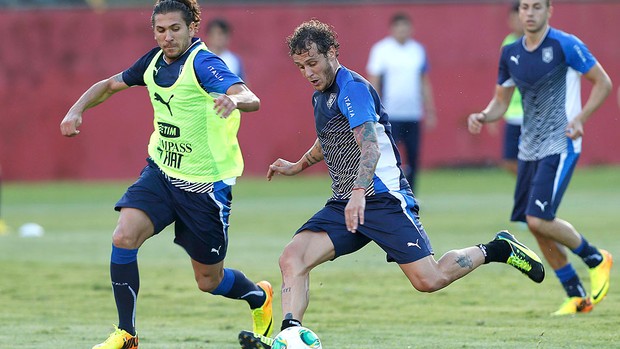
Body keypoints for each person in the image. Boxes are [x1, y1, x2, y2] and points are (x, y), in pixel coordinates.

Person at [238, 19, 545, 349]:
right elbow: (329, 140)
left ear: (331, 53)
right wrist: (298, 164)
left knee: (429, 279)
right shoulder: (320, 97)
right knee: (292, 258)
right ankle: (290, 336)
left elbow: (369, 145)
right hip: (346, 204)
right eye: (300, 67)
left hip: (382, 199)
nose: (308, 73)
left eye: (312, 63)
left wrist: (359, 192)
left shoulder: (352, 88)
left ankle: (496, 248)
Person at [60, 1, 273, 348]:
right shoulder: (152, 61)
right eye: (160, 30)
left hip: (205, 187)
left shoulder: (204, 63)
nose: (167, 37)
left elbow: (250, 97)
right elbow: (110, 84)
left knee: (209, 280)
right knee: (123, 236)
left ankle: (259, 297)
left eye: (175, 29)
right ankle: (126, 334)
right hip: (161, 173)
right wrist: (76, 109)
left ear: (192, 27)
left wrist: (235, 101)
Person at [467, 0, 613, 316]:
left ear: (549, 11)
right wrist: (483, 115)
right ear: (519, 13)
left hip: (561, 144)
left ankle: (596, 259)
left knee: (539, 218)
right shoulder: (510, 53)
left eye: (537, 7)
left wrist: (581, 118)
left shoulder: (566, 45)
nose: (530, 13)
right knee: (535, 226)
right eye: (525, 8)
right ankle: (576, 295)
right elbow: (501, 102)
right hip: (529, 149)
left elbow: (604, 82)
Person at [366, 12, 437, 193]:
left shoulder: (417, 50)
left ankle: (411, 194)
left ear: (411, 29)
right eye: (399, 27)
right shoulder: (381, 50)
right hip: (390, 114)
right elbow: (373, 81)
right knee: (389, 156)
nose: (402, 31)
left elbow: (423, 81)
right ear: (392, 29)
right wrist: (372, 109)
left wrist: (429, 110)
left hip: (413, 113)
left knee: (413, 157)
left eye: (405, 27)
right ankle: (388, 192)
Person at [500, 1, 525, 175]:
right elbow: (503, 79)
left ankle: (533, 190)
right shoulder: (507, 44)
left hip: (532, 113)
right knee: (509, 161)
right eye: (513, 19)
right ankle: (529, 186)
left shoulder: (535, 43)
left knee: (532, 159)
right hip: (512, 112)